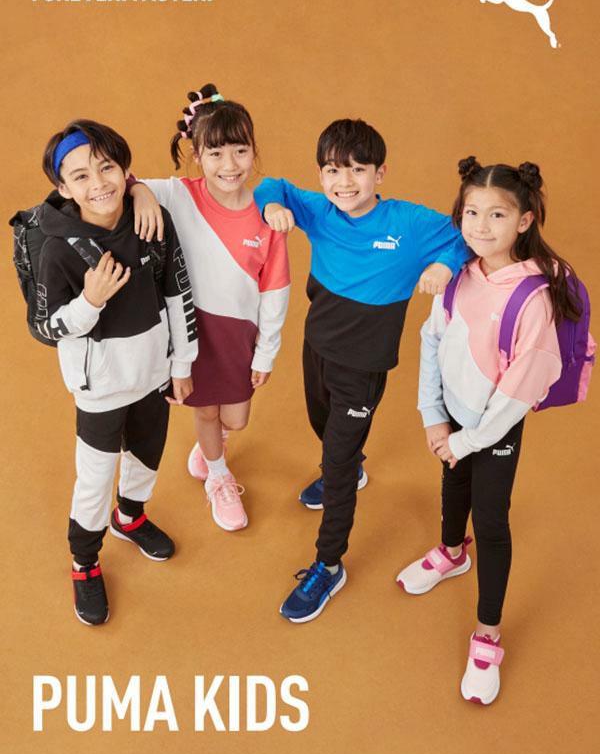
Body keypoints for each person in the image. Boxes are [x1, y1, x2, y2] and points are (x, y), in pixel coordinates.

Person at [253, 118, 472, 623]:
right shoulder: (318, 210)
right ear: (321, 175)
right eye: (333, 170)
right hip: (316, 349)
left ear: (380, 173)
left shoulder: (407, 223)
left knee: (334, 464)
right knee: (321, 423)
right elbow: (272, 185)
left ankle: (328, 565)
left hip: (363, 368)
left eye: (357, 170)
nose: (344, 182)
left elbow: (464, 235)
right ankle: (349, 466)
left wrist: (444, 263)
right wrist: (271, 206)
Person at [396, 156, 585, 704]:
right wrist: (433, 415)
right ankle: (452, 551)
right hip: (453, 415)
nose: (480, 226)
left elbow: (518, 394)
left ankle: (487, 634)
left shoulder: (533, 298)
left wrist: (464, 439)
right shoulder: (458, 273)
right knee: (453, 484)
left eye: (497, 214)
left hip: (493, 427)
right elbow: (432, 340)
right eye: (471, 212)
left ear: (524, 220)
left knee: (492, 519)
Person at [34, 119, 198, 625]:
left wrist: (182, 363)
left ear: (125, 170)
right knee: (95, 478)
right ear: (64, 188)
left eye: (106, 168)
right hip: (100, 390)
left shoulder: (152, 218)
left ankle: (130, 517)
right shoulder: (55, 249)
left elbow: (177, 291)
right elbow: (46, 327)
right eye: (80, 176)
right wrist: (90, 301)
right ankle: (84, 561)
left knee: (147, 457)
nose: (97, 183)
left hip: (153, 375)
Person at [129, 84, 290, 532]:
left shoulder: (268, 214)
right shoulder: (179, 194)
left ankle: (210, 447)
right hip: (191, 334)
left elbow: (276, 290)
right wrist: (140, 193)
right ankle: (218, 476)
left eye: (240, 151)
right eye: (215, 154)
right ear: (197, 155)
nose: (229, 165)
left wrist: (266, 352)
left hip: (239, 337)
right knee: (205, 411)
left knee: (235, 418)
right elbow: (125, 182)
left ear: (253, 151)